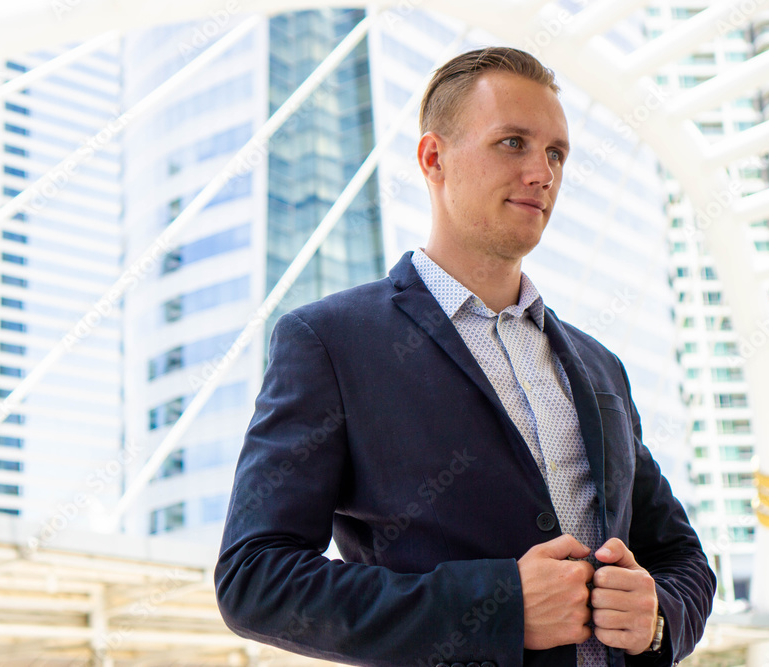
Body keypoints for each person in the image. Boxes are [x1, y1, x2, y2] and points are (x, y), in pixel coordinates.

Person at [215, 47, 714, 667]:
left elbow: (683, 557)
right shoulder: (330, 343)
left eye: (556, 153)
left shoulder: (600, 364)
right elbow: (254, 579)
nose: (543, 173)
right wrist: (498, 605)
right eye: (513, 143)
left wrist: (661, 616)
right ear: (433, 159)